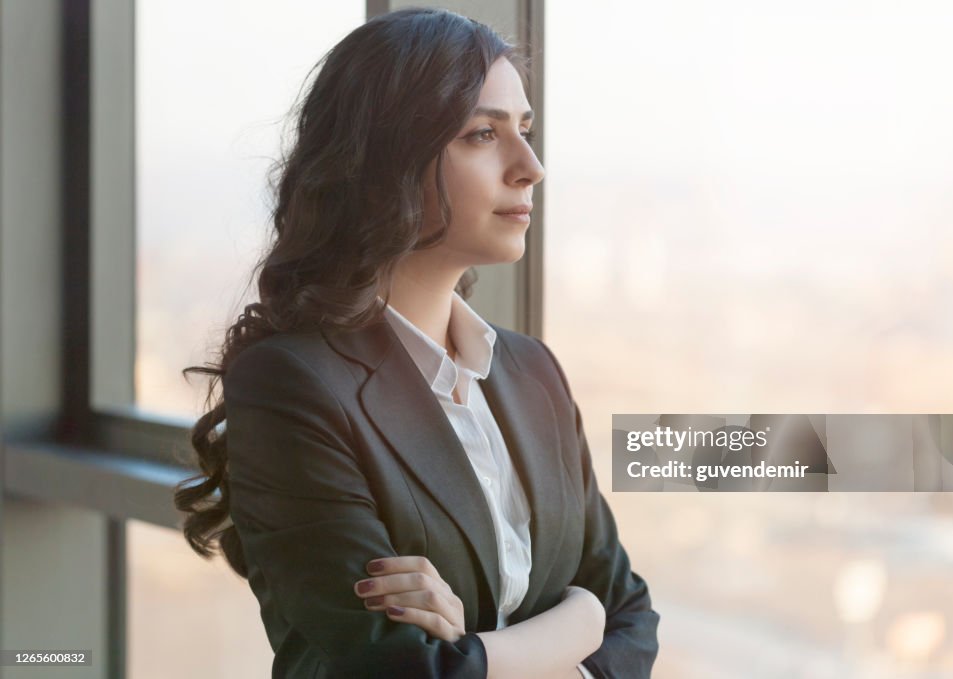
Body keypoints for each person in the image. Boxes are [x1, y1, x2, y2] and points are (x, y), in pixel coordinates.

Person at [175, 7, 658, 678]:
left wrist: (480, 652)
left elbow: (631, 615)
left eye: (525, 130)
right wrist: (576, 624)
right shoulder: (291, 383)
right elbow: (402, 668)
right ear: (385, 160)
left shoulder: (532, 371)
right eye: (482, 134)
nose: (529, 167)